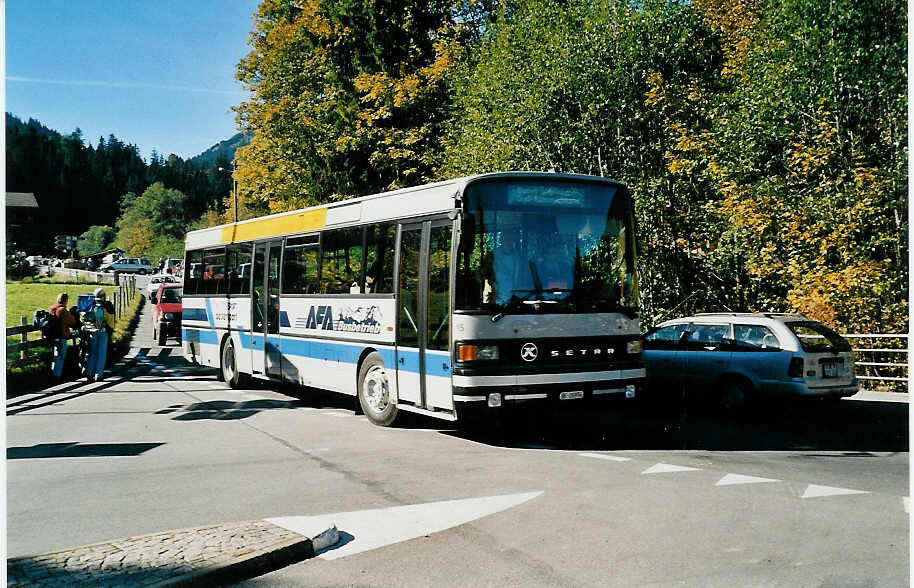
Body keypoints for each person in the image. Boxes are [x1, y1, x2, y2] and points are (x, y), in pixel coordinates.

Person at [85, 288, 115, 382]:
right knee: (101, 354)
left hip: (92, 331)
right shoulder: (106, 305)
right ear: (103, 296)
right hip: (103, 331)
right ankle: (99, 374)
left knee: (92, 353)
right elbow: (110, 319)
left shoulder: (89, 303)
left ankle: (89, 373)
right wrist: (111, 329)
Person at [48, 293, 76, 382]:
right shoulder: (62, 310)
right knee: (60, 357)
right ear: (65, 300)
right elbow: (72, 321)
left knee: (55, 356)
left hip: (52, 337)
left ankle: (53, 374)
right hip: (61, 336)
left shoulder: (51, 309)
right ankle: (57, 377)